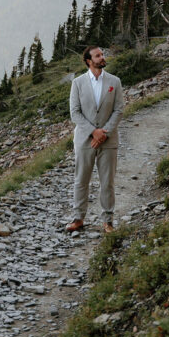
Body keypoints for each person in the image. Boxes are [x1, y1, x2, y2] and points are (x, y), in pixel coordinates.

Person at [66, 44, 124, 234]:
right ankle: (78, 218)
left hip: (109, 139)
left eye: (102, 54)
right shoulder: (78, 83)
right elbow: (75, 113)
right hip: (84, 139)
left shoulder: (114, 81)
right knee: (81, 179)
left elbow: (119, 109)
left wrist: (104, 132)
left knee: (107, 181)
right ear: (89, 61)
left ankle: (108, 220)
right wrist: (93, 132)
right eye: (98, 55)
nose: (102, 57)